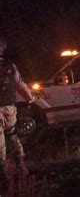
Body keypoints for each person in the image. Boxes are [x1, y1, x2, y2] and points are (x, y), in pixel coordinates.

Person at [0, 36, 35, 186]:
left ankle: (5, 174)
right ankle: (22, 164)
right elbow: (20, 84)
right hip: (9, 109)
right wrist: (30, 98)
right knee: (13, 135)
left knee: (0, 143)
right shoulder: (10, 66)